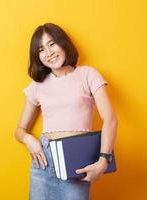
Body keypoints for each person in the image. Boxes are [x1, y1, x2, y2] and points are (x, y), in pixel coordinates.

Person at [14, 23, 118, 200]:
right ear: (37, 56)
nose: (49, 52)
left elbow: (110, 120)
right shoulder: (37, 86)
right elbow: (19, 130)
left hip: (76, 160)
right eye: (41, 49)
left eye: (52, 43)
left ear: (63, 43)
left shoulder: (88, 74)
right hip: (43, 162)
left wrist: (103, 160)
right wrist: (29, 140)